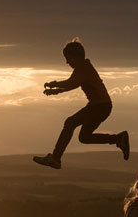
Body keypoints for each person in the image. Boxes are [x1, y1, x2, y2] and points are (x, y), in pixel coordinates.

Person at [33, 39, 130, 169]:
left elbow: (70, 83)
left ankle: (55, 158)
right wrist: (56, 92)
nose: (67, 62)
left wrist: (53, 84)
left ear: (76, 57)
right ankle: (118, 138)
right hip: (103, 107)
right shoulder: (84, 67)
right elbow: (74, 84)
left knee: (70, 122)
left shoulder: (83, 68)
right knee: (84, 137)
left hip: (99, 106)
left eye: (68, 58)